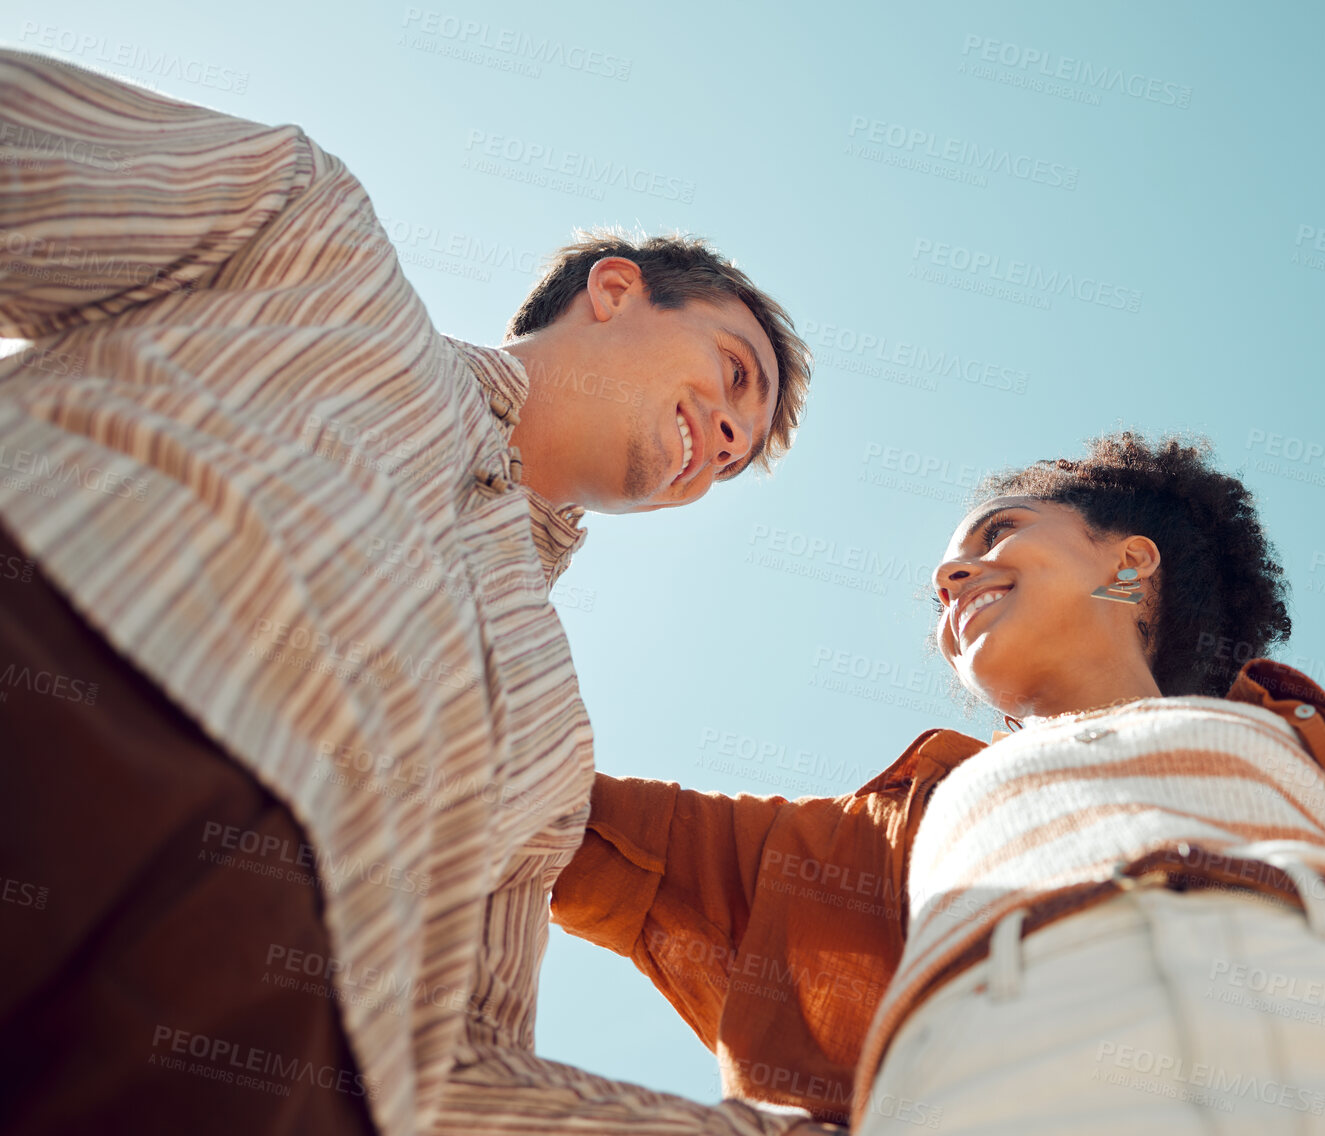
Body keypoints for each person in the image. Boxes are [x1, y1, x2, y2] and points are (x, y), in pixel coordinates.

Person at [0, 49, 837, 1136]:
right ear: (616, 289)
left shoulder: (551, 745)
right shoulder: (311, 240)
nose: (724, 437)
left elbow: (460, 1069)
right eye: (733, 373)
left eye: (737, 454)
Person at [554, 432, 1325, 1133]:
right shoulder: (889, 826)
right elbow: (551, 808)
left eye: (996, 534)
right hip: (1003, 1092)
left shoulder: (1324, 735)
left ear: (1130, 570)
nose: (948, 574)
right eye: (942, 574)